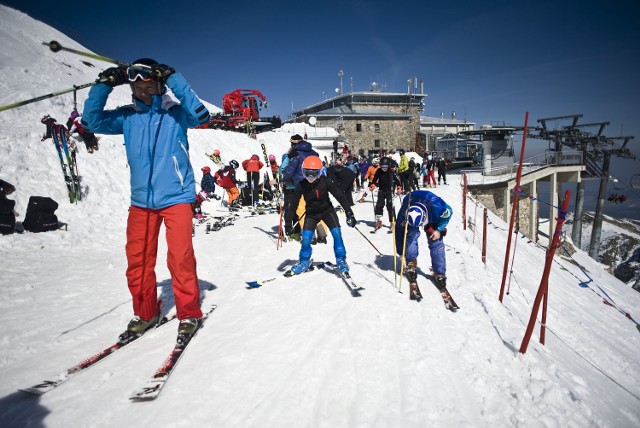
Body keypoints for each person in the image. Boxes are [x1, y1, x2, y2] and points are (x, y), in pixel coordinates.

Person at [82, 58, 209, 337]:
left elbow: (202, 115)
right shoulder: (127, 117)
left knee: (180, 257)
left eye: (149, 85)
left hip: (176, 197)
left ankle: (189, 312)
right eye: (136, 86)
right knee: (137, 261)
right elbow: (91, 121)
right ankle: (146, 312)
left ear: (160, 85)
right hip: (141, 202)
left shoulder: (177, 114)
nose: (143, 91)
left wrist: (175, 77)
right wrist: (103, 86)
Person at [285, 156, 357, 275]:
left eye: (313, 174)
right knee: (306, 239)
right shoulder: (301, 185)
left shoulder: (326, 181)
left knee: (337, 234)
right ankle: (304, 262)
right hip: (311, 214)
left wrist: (349, 213)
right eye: (307, 173)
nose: (310, 177)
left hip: (327, 211)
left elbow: (340, 196)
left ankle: (341, 260)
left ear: (319, 173)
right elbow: (293, 205)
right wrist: (288, 224)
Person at [394, 190, 453, 300]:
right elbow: (399, 231)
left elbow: (449, 213)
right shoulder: (404, 210)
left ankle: (439, 272)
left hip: (431, 212)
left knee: (436, 241)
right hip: (414, 203)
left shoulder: (438, 207)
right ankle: (411, 261)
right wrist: (401, 253)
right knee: (411, 234)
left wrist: (439, 230)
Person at [281, 134, 318, 239]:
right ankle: (316, 230)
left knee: (292, 209)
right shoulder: (313, 153)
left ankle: (291, 229)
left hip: (294, 185)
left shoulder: (291, 154)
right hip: (312, 183)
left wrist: (281, 179)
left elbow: (285, 169)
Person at [369, 157, 401, 230]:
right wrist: (373, 184)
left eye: (385, 167)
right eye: (382, 166)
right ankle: (378, 220)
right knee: (379, 205)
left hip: (389, 191)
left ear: (388, 166)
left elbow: (396, 179)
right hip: (381, 190)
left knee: (390, 206)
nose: (384, 168)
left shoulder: (391, 171)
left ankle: (392, 222)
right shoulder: (379, 171)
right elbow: (375, 178)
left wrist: (399, 186)